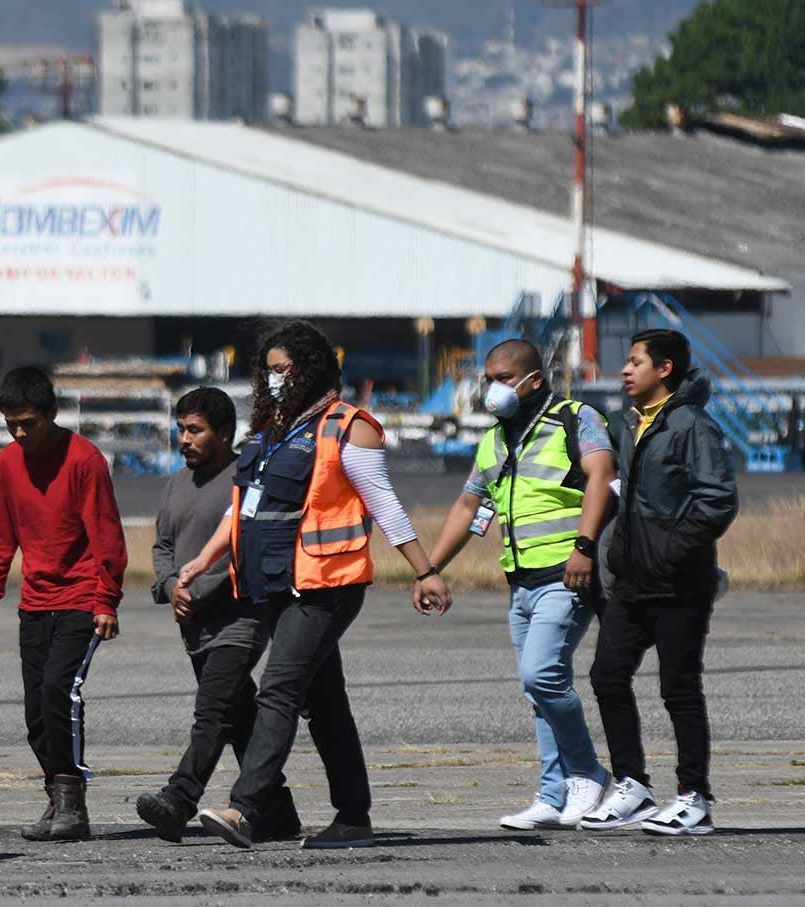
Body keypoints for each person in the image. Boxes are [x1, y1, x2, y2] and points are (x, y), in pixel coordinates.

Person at [180, 320, 451, 850]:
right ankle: (354, 819)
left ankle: (245, 807)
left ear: (311, 370)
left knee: (280, 689)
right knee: (326, 705)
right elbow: (243, 509)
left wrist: (425, 569)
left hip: (327, 584)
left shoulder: (348, 427)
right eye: (270, 370)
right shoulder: (270, 430)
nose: (275, 379)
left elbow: (383, 502)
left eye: (285, 369)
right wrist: (202, 561)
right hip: (276, 584)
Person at [425, 339, 615, 831]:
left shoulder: (576, 418)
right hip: (521, 579)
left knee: (541, 675)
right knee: (539, 692)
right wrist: (430, 568)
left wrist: (585, 548)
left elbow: (601, 478)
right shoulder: (495, 439)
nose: (493, 389)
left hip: (566, 572)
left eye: (504, 378)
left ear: (533, 379)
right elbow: (469, 507)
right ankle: (553, 796)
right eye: (489, 378)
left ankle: (589, 773)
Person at [583, 329, 737, 836]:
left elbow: (716, 499)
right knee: (607, 675)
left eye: (634, 362)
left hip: (678, 583)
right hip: (632, 580)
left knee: (679, 689)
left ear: (664, 369)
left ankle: (694, 798)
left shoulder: (691, 424)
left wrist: (669, 551)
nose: (625, 371)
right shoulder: (631, 425)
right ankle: (633, 784)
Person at [135, 387, 301, 843]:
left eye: (195, 430)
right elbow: (163, 547)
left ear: (225, 434)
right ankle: (279, 811)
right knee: (238, 719)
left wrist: (195, 590)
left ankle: (179, 798)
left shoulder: (243, 479)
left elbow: (243, 551)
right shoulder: (174, 484)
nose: (185, 439)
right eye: (180, 430)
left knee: (211, 713)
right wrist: (171, 587)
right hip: (194, 625)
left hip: (239, 622)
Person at [0, 366, 128, 842]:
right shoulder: (6, 465)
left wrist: (106, 599)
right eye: (11, 423)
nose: (20, 433)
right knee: (36, 710)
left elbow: (107, 535)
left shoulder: (85, 460)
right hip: (34, 602)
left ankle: (72, 802)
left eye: (29, 423)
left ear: (52, 413)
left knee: (60, 690)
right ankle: (54, 798)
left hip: (81, 597)